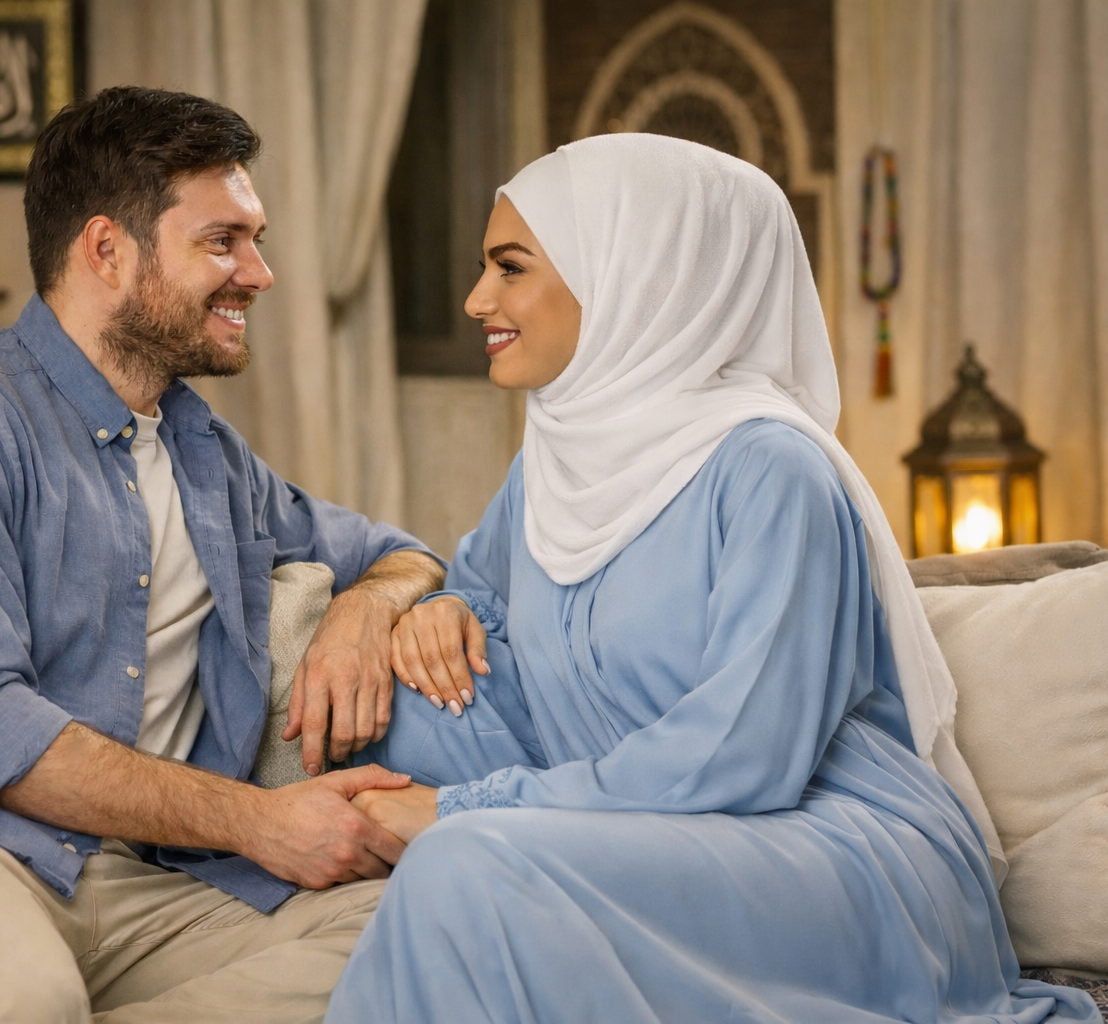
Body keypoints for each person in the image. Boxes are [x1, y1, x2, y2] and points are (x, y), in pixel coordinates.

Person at [327, 134, 1102, 1023]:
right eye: (483, 268)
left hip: (829, 848)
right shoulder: (552, 468)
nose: (477, 299)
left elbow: (749, 751)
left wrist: (465, 806)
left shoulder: (773, 472)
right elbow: (489, 590)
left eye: (511, 268)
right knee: (437, 805)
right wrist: (447, 605)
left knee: (464, 863)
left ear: (632, 272)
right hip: (665, 835)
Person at [0, 86, 444, 1024]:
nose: (260, 273)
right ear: (108, 251)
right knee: (15, 995)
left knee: (426, 928)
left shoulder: (208, 456)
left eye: (256, 239)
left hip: (130, 881)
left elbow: (400, 552)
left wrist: (365, 609)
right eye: (222, 241)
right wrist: (258, 822)